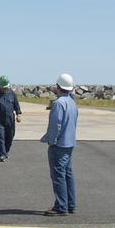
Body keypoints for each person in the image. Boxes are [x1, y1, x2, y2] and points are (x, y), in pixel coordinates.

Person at [41, 73, 78, 215]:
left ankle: (61, 206)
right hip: (70, 143)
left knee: (58, 175)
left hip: (59, 144)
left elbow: (55, 125)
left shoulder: (58, 103)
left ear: (58, 87)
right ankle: (71, 204)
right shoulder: (72, 103)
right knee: (68, 174)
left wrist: (50, 140)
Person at [0, 75, 22, 161]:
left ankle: (6, 151)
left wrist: (19, 114)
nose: (4, 89)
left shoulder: (12, 94)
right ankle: (1, 154)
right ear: (0, 86)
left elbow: (16, 105)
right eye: (3, 87)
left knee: (10, 136)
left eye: (5, 87)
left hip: (10, 119)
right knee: (1, 137)